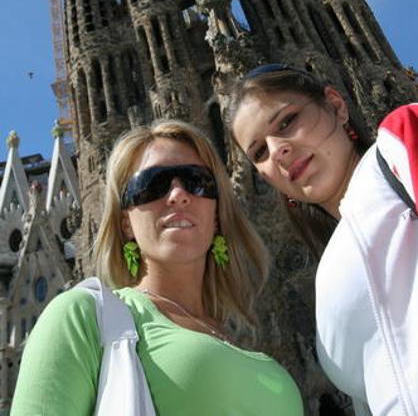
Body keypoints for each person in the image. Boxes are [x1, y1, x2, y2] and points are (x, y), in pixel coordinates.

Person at [11, 119, 304, 416]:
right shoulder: (81, 316)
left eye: (197, 181)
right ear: (125, 222)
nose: (178, 195)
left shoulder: (240, 331)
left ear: (217, 213)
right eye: (152, 185)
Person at [229, 63, 418, 415]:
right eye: (259, 153)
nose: (277, 150)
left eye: (287, 121)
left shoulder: (404, 142)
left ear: (336, 105)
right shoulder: (328, 281)